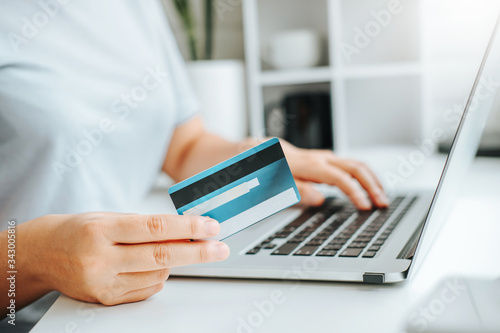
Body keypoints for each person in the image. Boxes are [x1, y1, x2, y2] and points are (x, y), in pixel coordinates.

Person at [0, 0, 388, 326]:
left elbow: (182, 146)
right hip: (32, 319)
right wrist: (35, 259)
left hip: (132, 304)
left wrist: (252, 156)